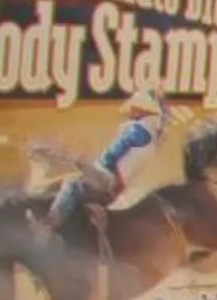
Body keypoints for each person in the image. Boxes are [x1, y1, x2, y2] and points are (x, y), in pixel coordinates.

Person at [50, 89, 167, 232]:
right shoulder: (147, 134)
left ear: (143, 110)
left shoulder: (137, 132)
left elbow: (113, 160)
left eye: (135, 107)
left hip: (107, 178)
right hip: (112, 179)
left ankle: (49, 225)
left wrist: (85, 165)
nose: (131, 109)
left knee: (72, 183)